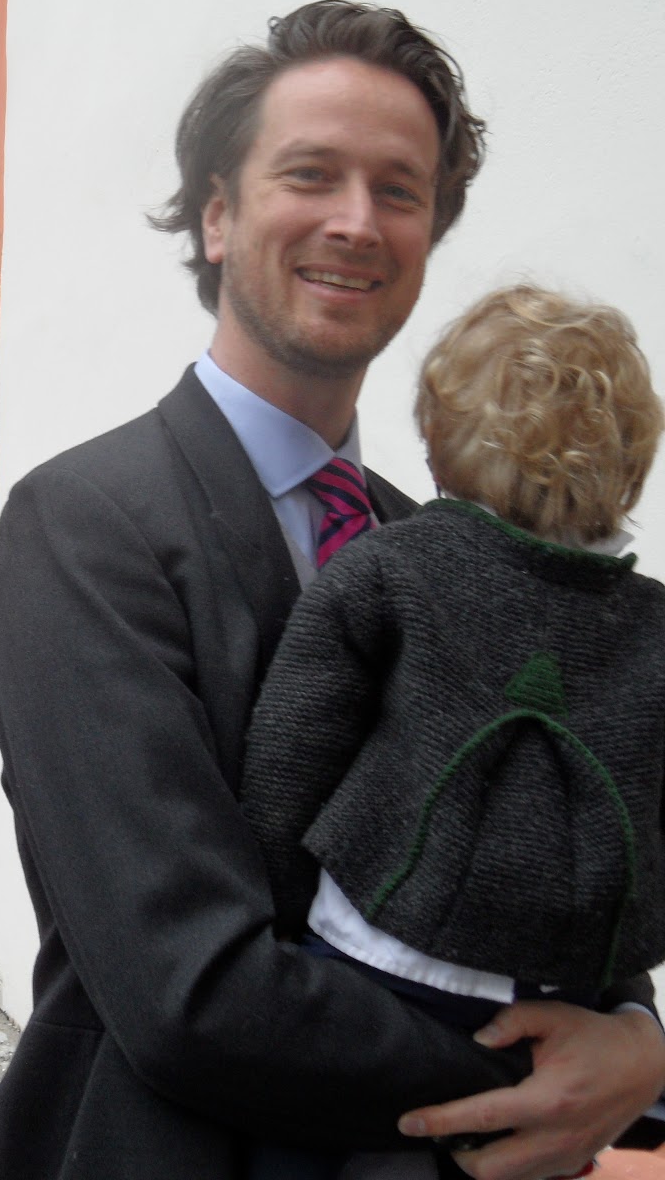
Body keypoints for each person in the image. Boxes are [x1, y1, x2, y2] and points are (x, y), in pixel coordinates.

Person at [0, 0, 665, 1180]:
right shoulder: (85, 522)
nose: (356, 221)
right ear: (216, 215)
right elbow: (187, 986)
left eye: (399, 191)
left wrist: (637, 1038)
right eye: (310, 175)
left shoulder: (446, 543)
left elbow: (558, 831)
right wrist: (555, 1076)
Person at [240, 284, 665, 1178]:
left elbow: (293, 749)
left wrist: (275, 913)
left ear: (439, 442)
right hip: (560, 1007)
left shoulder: (390, 566)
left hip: (373, 960)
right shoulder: (653, 624)